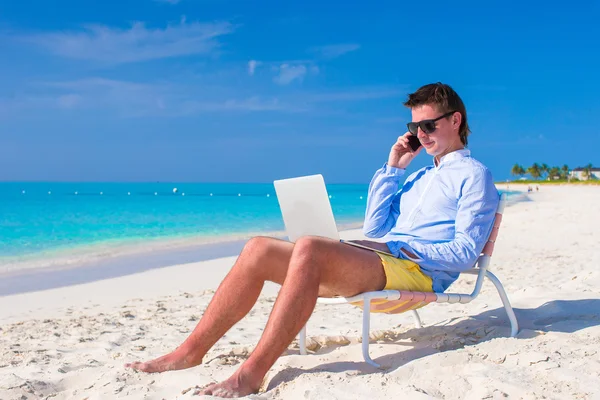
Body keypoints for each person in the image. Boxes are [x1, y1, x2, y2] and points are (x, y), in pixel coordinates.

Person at [124, 82, 499, 398]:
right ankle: (190, 352)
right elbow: (374, 227)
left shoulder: (473, 175)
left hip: (418, 271)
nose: (421, 135)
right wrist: (393, 169)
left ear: (455, 120)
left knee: (309, 246)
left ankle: (251, 373)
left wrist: (400, 248)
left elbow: (464, 253)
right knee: (258, 247)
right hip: (382, 261)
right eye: (414, 126)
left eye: (429, 125)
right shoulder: (415, 177)